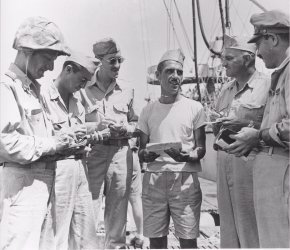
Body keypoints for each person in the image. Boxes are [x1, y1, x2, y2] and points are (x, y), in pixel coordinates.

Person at [0, 16, 72, 250]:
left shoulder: (33, 90)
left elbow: (42, 135)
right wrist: (53, 145)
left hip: (42, 184)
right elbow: (5, 142)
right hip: (22, 187)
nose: (51, 67)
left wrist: (68, 140)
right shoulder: (7, 87)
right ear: (27, 50)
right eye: (48, 58)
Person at [225, 10, 289, 248]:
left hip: (281, 175)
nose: (258, 54)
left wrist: (258, 136)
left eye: (259, 44)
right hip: (274, 175)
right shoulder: (282, 73)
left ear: (273, 39)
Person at [138, 49, 206, 249]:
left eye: (179, 72)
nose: (175, 77)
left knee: (188, 237)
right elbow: (141, 150)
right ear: (158, 75)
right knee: (156, 239)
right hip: (153, 179)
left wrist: (188, 155)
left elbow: (201, 148)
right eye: (169, 71)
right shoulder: (147, 110)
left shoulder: (195, 108)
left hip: (184, 179)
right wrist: (146, 154)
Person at [211, 35, 271, 248]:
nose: (223, 63)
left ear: (247, 59)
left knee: (252, 229)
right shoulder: (226, 89)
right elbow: (219, 124)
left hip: (251, 167)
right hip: (224, 164)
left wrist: (248, 125)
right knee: (228, 229)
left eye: (228, 58)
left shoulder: (268, 86)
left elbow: (276, 126)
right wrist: (219, 125)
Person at [40, 51, 102, 249]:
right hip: (56, 171)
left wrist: (90, 139)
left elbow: (80, 137)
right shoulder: (42, 96)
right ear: (68, 70)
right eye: (82, 80)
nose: (83, 86)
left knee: (86, 233)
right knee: (55, 234)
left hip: (80, 168)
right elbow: (41, 139)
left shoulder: (77, 104)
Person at [80, 37, 138, 249]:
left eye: (120, 60)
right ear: (98, 61)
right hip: (92, 154)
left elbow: (137, 124)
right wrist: (96, 128)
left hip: (121, 154)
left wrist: (126, 129)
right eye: (112, 60)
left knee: (117, 212)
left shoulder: (128, 90)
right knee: (88, 208)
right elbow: (75, 123)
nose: (117, 66)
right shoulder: (82, 89)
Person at [127, 138, 144, 248]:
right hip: (132, 153)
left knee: (117, 198)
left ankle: (120, 235)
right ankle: (140, 235)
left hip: (116, 154)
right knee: (136, 199)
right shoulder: (137, 121)